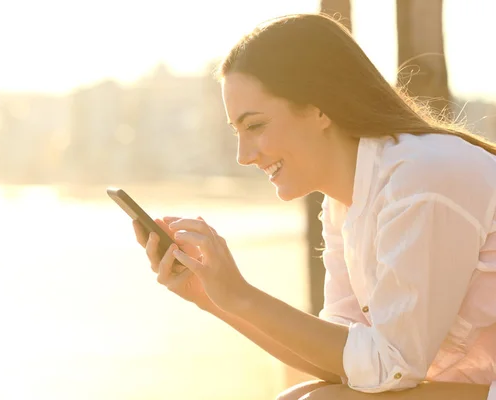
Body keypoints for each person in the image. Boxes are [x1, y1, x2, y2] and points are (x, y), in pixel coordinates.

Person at [132, 13, 496, 400]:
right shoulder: (345, 203)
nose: (243, 155)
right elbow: (341, 362)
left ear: (321, 108)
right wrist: (211, 297)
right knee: (303, 396)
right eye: (236, 132)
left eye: (255, 126)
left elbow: (389, 366)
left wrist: (241, 294)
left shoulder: (422, 180)